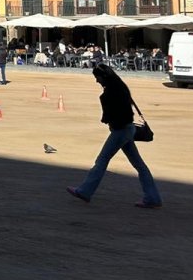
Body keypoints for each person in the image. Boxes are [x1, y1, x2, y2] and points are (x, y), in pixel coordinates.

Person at [67, 64, 163, 208]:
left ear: (103, 77)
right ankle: (153, 197)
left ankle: (85, 191)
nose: (97, 81)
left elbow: (109, 117)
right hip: (129, 129)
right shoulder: (122, 87)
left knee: (102, 160)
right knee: (139, 165)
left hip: (120, 131)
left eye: (97, 77)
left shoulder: (108, 94)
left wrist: (106, 118)